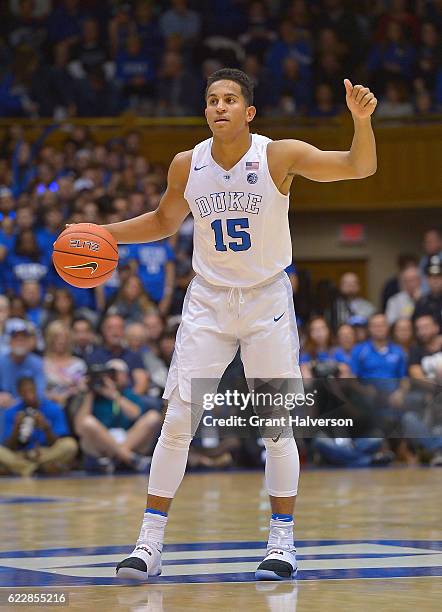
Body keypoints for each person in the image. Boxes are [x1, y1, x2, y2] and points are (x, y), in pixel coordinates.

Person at [73, 68, 377, 581]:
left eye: (230, 100)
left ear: (249, 112)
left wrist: (362, 122)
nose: (219, 107)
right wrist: (101, 232)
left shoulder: (277, 154)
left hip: (267, 301)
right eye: (212, 99)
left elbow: (357, 168)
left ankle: (282, 542)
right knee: (176, 422)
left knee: (276, 427)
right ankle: (149, 544)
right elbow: (163, 222)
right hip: (208, 301)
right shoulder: (186, 164)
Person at [74, 359, 161, 473]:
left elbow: (135, 414)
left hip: (128, 438)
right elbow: (80, 427)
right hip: (100, 442)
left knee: (153, 416)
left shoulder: (128, 394)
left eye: (116, 373)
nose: (112, 377)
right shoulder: (90, 396)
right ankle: (128, 458)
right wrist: (89, 393)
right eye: (109, 374)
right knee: (88, 422)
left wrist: (113, 394)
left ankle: (116, 458)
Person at [0, 377, 78, 477]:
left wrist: (46, 427)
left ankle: (23, 468)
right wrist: (16, 428)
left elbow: (56, 442)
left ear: (36, 389)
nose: (29, 395)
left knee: (70, 444)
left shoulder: (53, 408)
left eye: (31, 390)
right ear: (19, 393)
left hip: (45, 453)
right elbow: (9, 446)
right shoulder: (11, 412)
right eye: (24, 392)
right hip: (20, 454)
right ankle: (34, 468)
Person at [0, 318, 46, 408]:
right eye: (15, 338)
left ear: (29, 341)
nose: (20, 342)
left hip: (30, 406)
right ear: (9, 341)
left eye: (23, 338)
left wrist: (17, 402)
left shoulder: (37, 363)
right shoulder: (1, 362)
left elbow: (40, 393)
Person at [413, 254, 442, 332]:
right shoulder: (421, 302)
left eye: (439, 277)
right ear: (427, 280)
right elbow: (415, 327)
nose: (435, 280)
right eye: (432, 277)